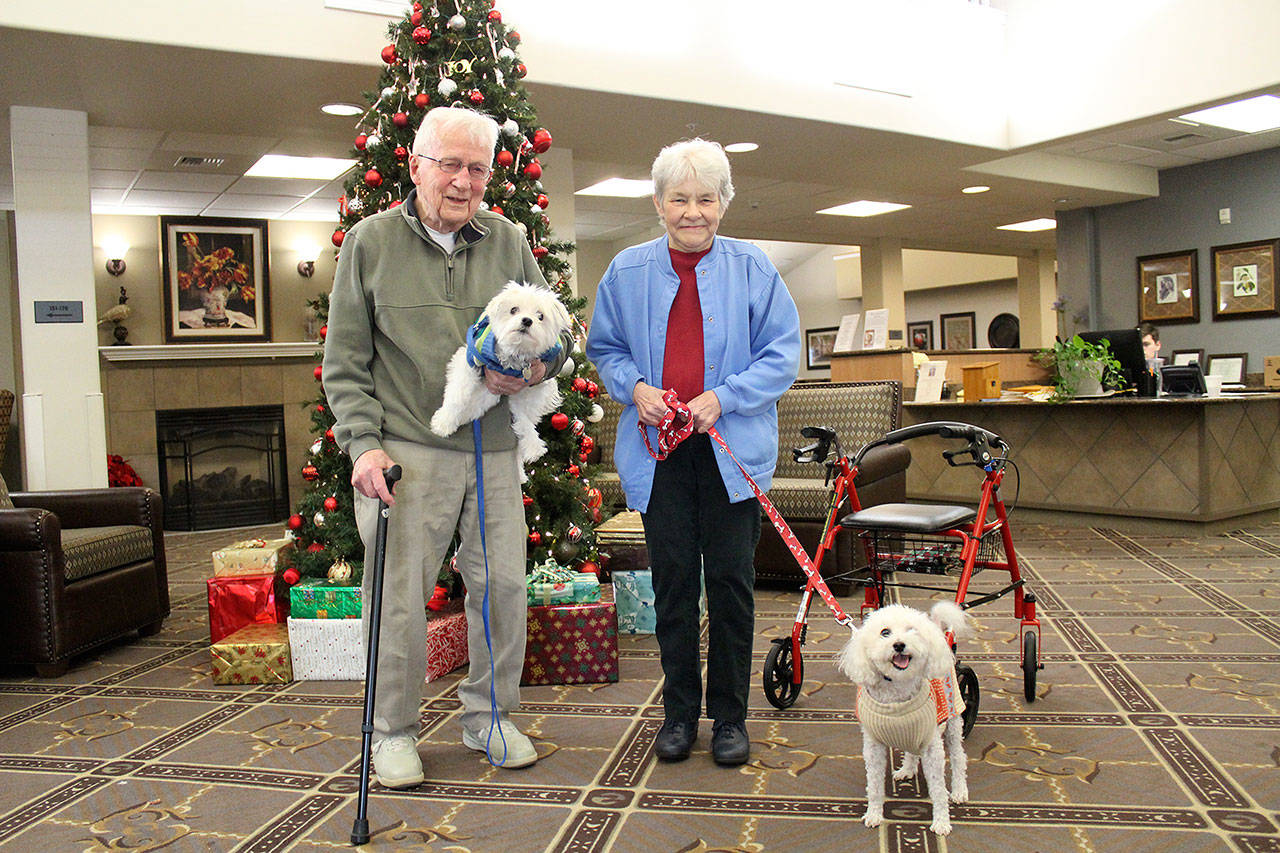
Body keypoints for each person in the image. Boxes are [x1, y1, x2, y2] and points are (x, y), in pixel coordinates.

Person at [323, 106, 571, 787]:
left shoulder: (508, 239)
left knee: (503, 589)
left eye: (478, 168)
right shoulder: (369, 243)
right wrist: (363, 447)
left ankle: (490, 716)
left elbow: (560, 334)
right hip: (407, 449)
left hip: (494, 449)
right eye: (450, 165)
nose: (463, 182)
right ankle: (392, 732)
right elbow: (345, 360)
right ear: (414, 165)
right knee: (399, 597)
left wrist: (534, 368)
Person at [586, 139, 801, 766]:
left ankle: (730, 716)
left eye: (706, 198)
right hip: (659, 454)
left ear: (723, 203)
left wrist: (724, 397)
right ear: (658, 203)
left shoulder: (753, 268)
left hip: (730, 451)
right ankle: (679, 713)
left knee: (731, 583)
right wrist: (637, 389)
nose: (693, 212)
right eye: (679, 199)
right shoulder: (625, 271)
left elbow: (782, 353)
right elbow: (606, 351)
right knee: (673, 585)